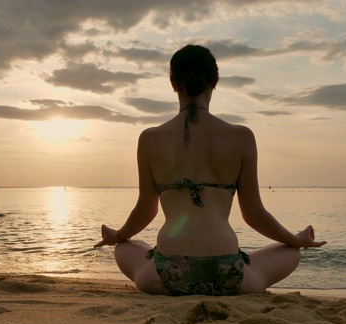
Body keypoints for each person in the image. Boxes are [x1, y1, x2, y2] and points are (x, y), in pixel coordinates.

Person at [94, 45, 326, 296]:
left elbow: (145, 211)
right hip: (228, 276)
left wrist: (117, 235)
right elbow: (255, 215)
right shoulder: (241, 137)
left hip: (166, 276)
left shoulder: (150, 139)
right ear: (214, 82)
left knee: (126, 247)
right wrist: (296, 240)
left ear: (173, 83)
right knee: (290, 253)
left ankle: (147, 267)